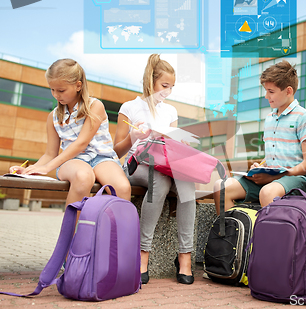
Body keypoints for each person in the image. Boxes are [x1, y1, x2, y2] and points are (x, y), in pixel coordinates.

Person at [113, 54, 196, 285]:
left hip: (163, 164)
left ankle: (185, 256)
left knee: (186, 182)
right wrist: (134, 136)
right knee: (159, 178)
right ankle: (143, 253)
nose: (168, 91)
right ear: (150, 81)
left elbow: (172, 149)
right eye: (164, 85)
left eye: (172, 87)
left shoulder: (170, 112)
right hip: (135, 165)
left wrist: (180, 142)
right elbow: (117, 151)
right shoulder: (130, 107)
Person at [9, 59, 131, 206]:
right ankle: (73, 229)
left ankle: (114, 229)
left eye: (61, 90)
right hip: (73, 161)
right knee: (83, 177)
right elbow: (50, 154)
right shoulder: (53, 117)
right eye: (52, 89)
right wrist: (29, 170)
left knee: (123, 188)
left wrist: (47, 168)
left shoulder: (95, 106)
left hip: (101, 159)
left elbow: (82, 143)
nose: (55, 95)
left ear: (78, 85)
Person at [213, 60, 306, 214]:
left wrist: (277, 176)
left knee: (268, 192)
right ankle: (230, 236)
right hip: (272, 179)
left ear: (288, 91)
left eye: (271, 91)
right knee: (221, 187)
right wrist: (260, 167)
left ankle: (269, 238)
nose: (266, 96)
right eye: (266, 91)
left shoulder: (303, 117)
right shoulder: (269, 118)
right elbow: (272, 156)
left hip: (297, 179)